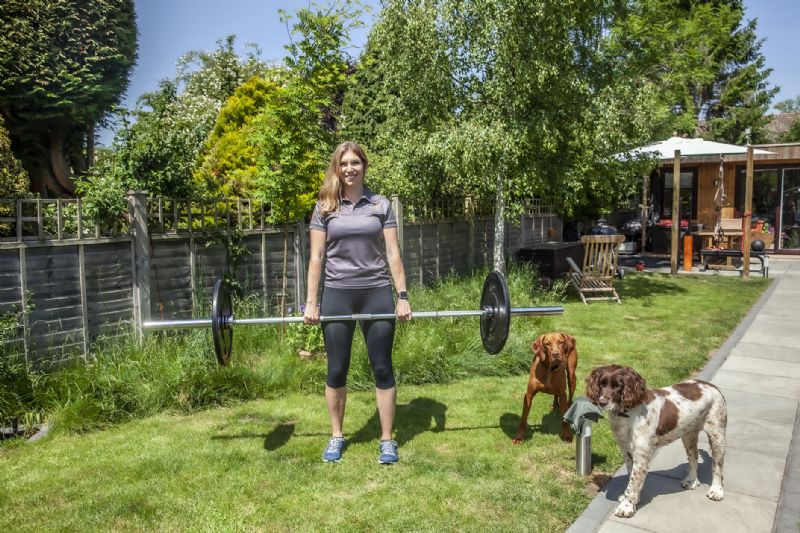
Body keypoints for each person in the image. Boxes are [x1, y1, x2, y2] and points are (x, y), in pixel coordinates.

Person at [304, 141, 411, 464]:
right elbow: (317, 257)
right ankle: (336, 436)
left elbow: (393, 253)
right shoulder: (325, 206)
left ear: (364, 165)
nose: (350, 168)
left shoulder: (380, 205)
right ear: (337, 168)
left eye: (355, 163)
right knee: (337, 369)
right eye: (344, 163)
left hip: (376, 290)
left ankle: (387, 439)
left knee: (382, 366)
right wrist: (311, 302)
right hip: (337, 292)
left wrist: (402, 296)